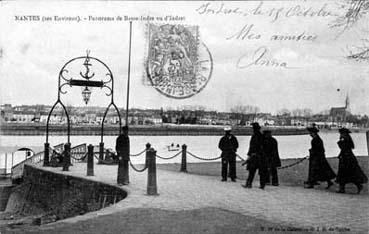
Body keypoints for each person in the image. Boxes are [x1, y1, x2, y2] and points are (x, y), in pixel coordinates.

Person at [336, 128, 368, 194]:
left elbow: (343, 148)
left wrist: (339, 142)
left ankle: (342, 188)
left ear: (343, 133)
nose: (340, 134)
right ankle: (357, 186)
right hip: (349, 157)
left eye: (341, 133)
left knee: (343, 172)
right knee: (350, 173)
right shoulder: (348, 139)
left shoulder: (344, 139)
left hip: (346, 157)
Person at [242, 122, 268, 189]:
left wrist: (249, 155)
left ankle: (249, 184)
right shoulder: (262, 136)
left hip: (254, 156)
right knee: (261, 171)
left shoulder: (254, 136)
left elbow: (252, 147)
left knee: (252, 171)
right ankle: (262, 185)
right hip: (261, 156)